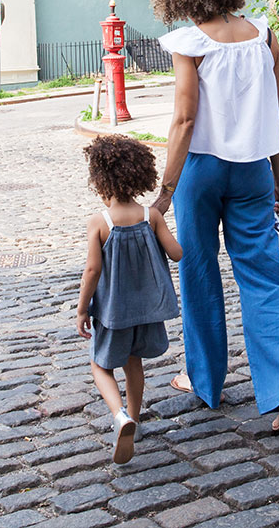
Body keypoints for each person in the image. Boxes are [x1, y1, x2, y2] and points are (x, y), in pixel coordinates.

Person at [151, 0, 279, 432]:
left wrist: (165, 191)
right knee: (266, 276)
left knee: (199, 271)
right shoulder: (262, 35)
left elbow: (184, 119)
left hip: (202, 171)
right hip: (253, 172)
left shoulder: (190, 42)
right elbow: (275, 111)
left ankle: (205, 381)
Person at [76, 135, 182, 464]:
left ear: (100, 181)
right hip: (146, 311)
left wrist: (82, 309)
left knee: (100, 365)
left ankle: (119, 415)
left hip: (113, 312)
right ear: (138, 177)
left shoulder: (100, 222)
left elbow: (93, 269)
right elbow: (177, 254)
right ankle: (134, 418)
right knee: (133, 363)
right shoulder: (151, 216)